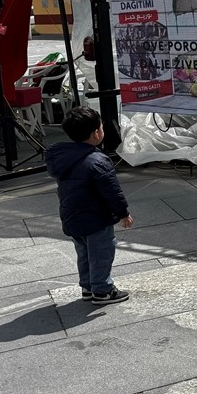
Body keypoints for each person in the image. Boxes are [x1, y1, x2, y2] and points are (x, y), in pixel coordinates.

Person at [45, 107, 133, 305]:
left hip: (71, 216)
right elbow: (112, 192)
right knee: (101, 254)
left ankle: (87, 287)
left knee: (84, 253)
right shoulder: (98, 161)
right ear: (97, 133)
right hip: (96, 218)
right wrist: (123, 213)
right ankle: (102, 290)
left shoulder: (62, 158)